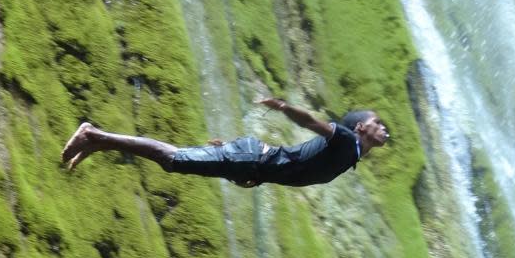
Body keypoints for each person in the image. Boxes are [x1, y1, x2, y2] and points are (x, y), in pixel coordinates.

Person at [61, 98, 389, 187]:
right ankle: (93, 135)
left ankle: (98, 142)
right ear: (360, 128)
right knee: (171, 159)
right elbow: (313, 123)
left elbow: (293, 167)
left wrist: (254, 178)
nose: (384, 128)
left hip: (251, 163)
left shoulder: (350, 154)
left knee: (172, 161)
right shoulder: (346, 140)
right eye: (378, 123)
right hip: (250, 159)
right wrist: (285, 108)